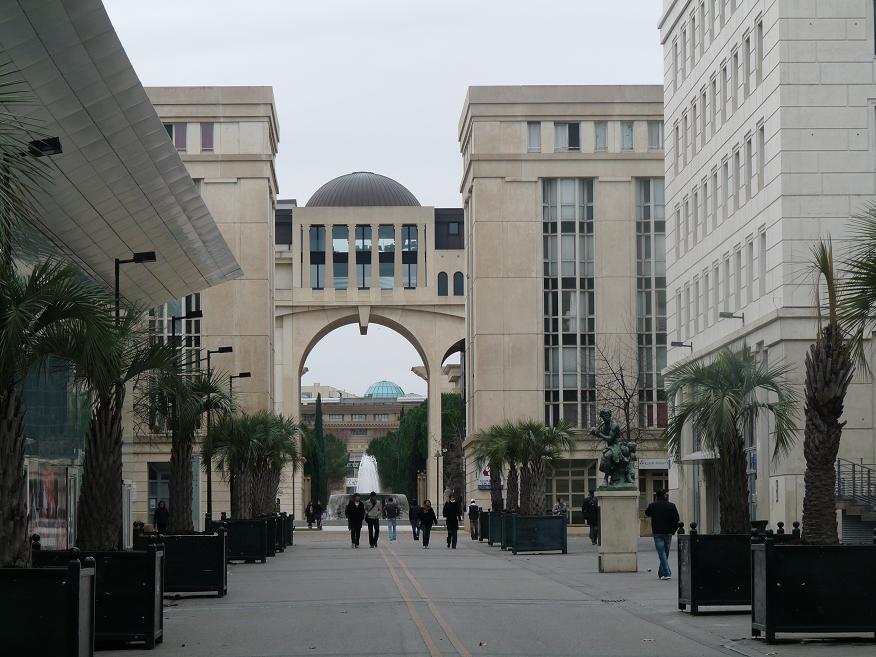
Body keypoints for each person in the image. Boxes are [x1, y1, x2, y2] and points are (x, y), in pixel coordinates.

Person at [645, 489, 680, 580]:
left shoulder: (653, 505)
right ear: (665, 496)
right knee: (665, 553)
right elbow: (676, 519)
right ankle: (664, 572)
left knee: (661, 553)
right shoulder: (671, 506)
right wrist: (673, 530)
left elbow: (647, 513)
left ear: (656, 496)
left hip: (657, 532)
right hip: (668, 532)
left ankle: (665, 572)